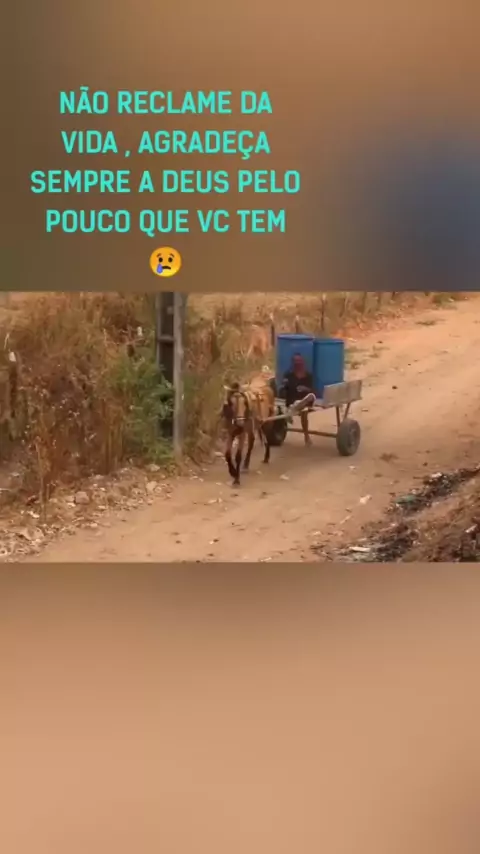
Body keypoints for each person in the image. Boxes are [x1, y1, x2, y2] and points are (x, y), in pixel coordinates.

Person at [280, 353, 316, 445]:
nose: (298, 363)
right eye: (296, 361)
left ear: (303, 362)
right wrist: (284, 385)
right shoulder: (288, 376)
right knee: (300, 407)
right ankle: (294, 408)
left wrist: (305, 389)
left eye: (299, 361)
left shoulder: (308, 376)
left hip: (305, 401)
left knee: (308, 401)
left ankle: (306, 436)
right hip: (292, 401)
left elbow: (313, 390)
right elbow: (282, 391)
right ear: (293, 363)